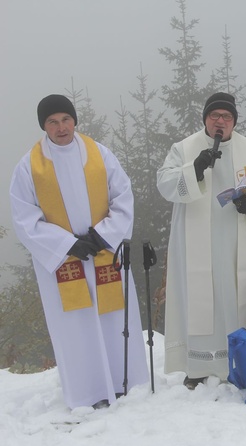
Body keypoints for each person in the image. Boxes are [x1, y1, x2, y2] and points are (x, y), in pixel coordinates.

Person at [9, 94, 148, 409]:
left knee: (114, 318)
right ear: (44, 126)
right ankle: (89, 392)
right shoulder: (29, 167)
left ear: (75, 120)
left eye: (66, 119)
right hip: (64, 263)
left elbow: (123, 196)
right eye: (53, 122)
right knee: (77, 326)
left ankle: (125, 382)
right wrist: (67, 244)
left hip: (103, 254)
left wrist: (102, 235)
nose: (61, 127)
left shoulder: (99, 154)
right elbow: (24, 218)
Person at [157, 92, 246, 389]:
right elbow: (164, 181)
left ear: (234, 121)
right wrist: (195, 168)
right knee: (199, 299)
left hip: (235, 240)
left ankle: (237, 360)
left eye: (226, 117)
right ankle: (197, 366)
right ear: (205, 120)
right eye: (214, 116)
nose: (220, 121)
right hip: (194, 242)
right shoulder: (184, 148)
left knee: (233, 298)